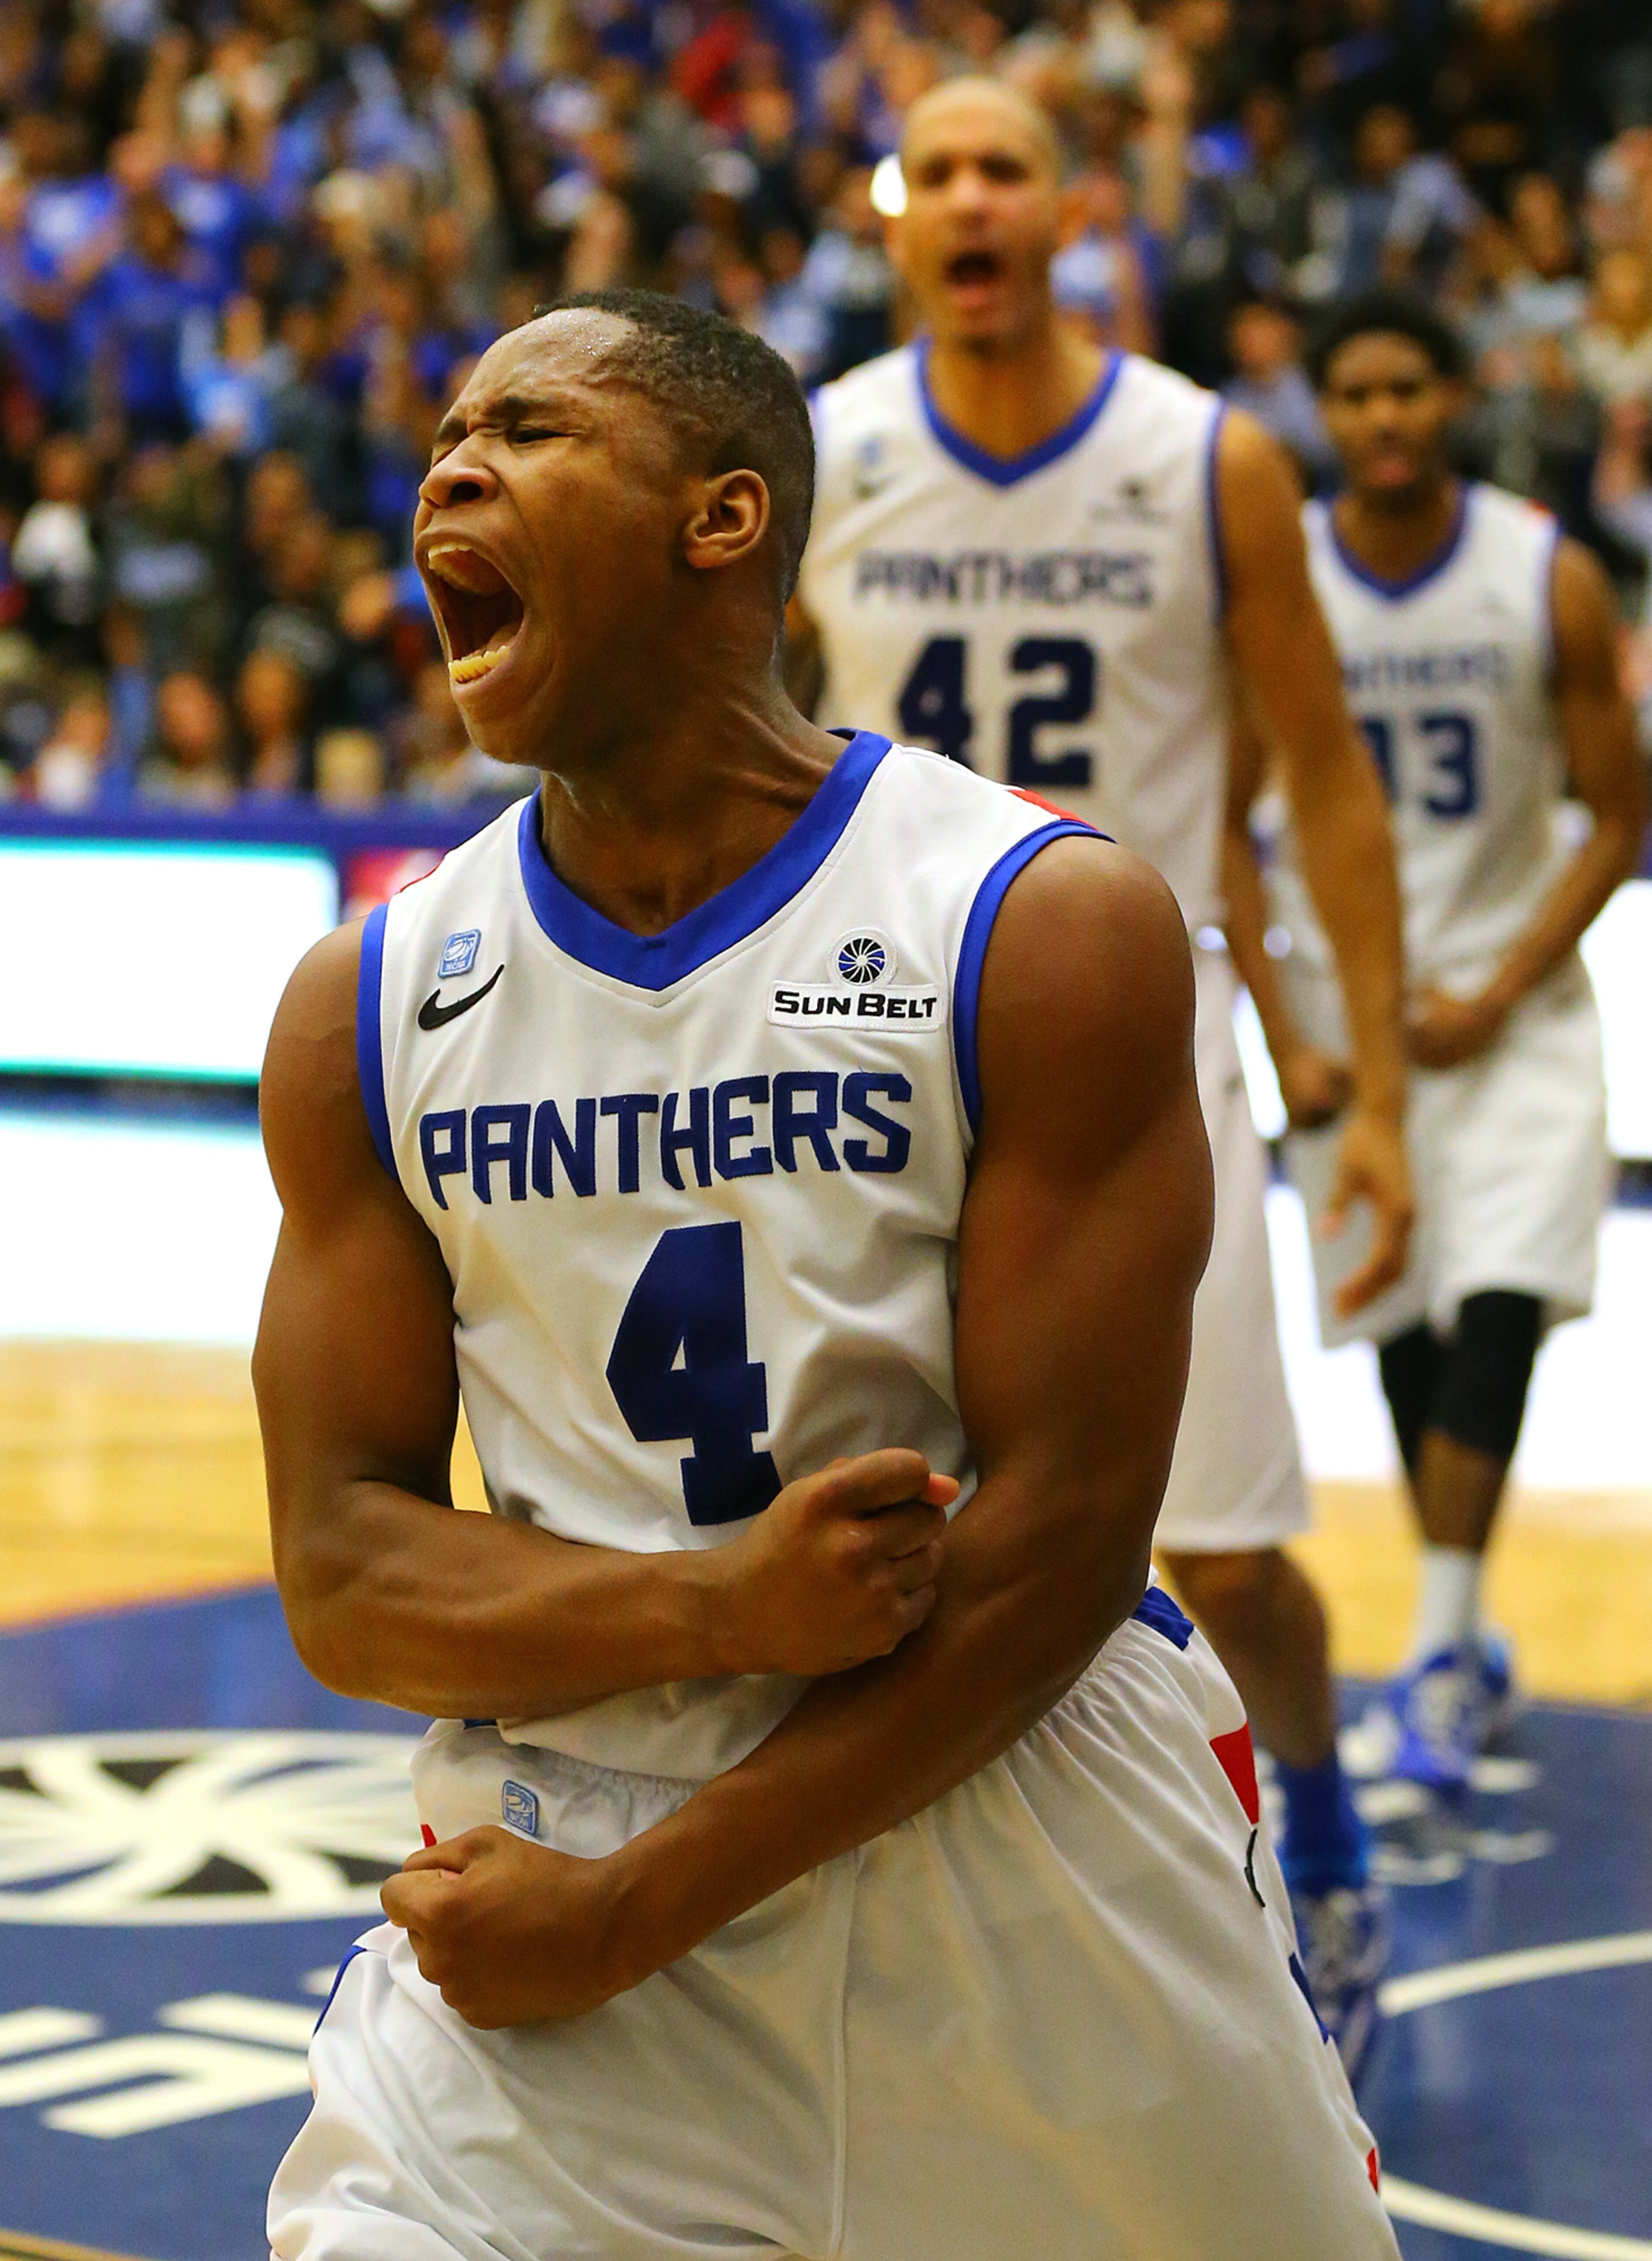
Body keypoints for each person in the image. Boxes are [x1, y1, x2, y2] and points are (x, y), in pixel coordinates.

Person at [254, 290, 1398, 2259]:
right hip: (559, 1854)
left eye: (528, 427)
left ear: (725, 520)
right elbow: (343, 1569)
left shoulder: (1036, 925)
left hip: (1016, 1837)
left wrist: (647, 1900)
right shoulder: (370, 999)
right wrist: (713, 1606)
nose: (450, 463)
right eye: (445, 434)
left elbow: (1054, 1548)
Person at [791, 75, 1410, 2071]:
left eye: (1004, 168)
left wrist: (1374, 1087)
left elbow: (1325, 773)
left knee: (1218, 1543)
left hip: (1146, 1040)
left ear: (1067, 209)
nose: (970, 201)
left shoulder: (1207, 458)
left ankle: (1320, 1822)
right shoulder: (824, 448)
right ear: (896, 222)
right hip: (879, 1049)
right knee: (896, 1536)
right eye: (934, 172)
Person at [1230, 290, 1647, 1799]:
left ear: (1458, 398)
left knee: (1499, 1312)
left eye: (1412, 387)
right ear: (1325, 416)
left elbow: (1620, 811)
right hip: (1356, 1023)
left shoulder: (1547, 575)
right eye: (1356, 393)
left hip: (1515, 1013)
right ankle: (1463, 1647)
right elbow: (1227, 823)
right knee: (1404, 1339)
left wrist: (1508, 980)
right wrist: (1285, 1028)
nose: (1386, 417)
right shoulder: (1281, 591)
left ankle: (1441, 1648)